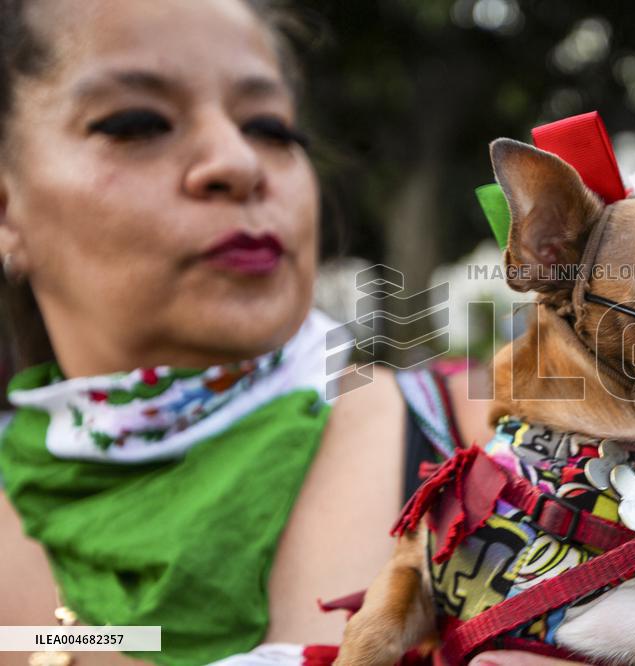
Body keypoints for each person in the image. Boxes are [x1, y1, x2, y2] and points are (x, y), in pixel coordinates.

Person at [0, 2, 510, 665]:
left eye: (271, 128)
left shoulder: (505, 444)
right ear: (8, 208)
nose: (239, 163)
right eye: (137, 122)